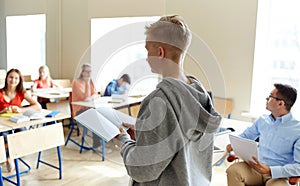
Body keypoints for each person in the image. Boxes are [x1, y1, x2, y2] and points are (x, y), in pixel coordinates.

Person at [115, 15, 222, 185]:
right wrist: (145, 131)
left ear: (159, 52)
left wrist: (123, 140)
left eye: (147, 49)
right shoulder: (200, 95)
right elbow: (177, 140)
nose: (146, 56)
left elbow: (143, 170)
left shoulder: (159, 101)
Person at [226, 83, 300, 186]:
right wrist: (234, 145)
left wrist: (270, 170)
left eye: (270, 96)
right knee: (233, 170)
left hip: (279, 176)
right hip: (255, 169)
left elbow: (299, 166)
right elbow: (245, 137)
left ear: (280, 104)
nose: (267, 98)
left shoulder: (297, 130)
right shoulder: (262, 120)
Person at [0, 68, 41, 172]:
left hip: (16, 122)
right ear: (7, 78)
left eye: (16, 78)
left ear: (19, 80)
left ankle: (10, 157)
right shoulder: (0, 93)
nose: (13, 80)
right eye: (11, 77)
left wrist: (20, 109)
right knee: (5, 136)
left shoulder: (21, 93)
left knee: (22, 134)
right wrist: (3, 111)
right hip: (2, 123)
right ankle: (7, 156)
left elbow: (37, 106)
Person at [71, 64, 103, 149]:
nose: (89, 74)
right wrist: (87, 83)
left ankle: (100, 141)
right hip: (79, 111)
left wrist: (92, 97)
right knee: (96, 117)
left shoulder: (90, 81)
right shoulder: (76, 82)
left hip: (88, 108)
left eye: (90, 71)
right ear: (82, 72)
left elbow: (95, 94)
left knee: (101, 114)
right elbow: (84, 98)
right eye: (87, 71)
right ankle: (97, 143)